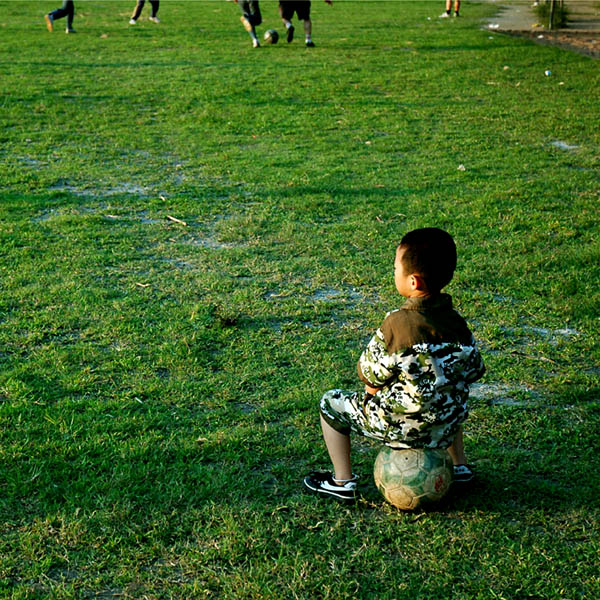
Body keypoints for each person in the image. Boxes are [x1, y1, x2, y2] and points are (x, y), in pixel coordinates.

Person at [303, 228, 485, 503]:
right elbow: (474, 371)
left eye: (395, 267)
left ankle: (341, 481)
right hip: (446, 424)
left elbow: (369, 374)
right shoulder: (457, 323)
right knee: (447, 391)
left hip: (399, 426)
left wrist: (370, 399)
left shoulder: (396, 325)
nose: (394, 272)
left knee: (330, 403)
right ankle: (459, 468)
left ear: (413, 281)